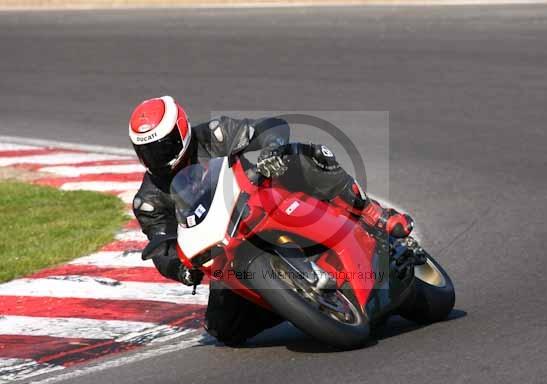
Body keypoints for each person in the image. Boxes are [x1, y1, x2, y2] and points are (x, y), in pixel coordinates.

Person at [129, 95, 414, 344]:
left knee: (301, 155)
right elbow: (162, 244)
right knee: (223, 329)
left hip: (262, 198)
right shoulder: (149, 200)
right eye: (147, 152)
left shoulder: (214, 135)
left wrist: (272, 150)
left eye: (162, 147)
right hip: (225, 247)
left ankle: (371, 213)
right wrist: (180, 270)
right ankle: (294, 303)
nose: (155, 157)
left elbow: (268, 128)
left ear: (182, 131)